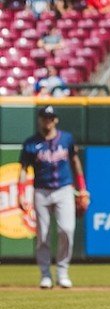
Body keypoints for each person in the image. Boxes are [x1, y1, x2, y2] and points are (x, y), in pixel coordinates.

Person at [17, 106, 89, 289]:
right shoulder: (31, 143)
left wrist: (82, 188)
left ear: (55, 120)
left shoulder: (66, 139)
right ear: (39, 119)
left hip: (64, 189)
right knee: (43, 234)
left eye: (50, 117)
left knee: (67, 229)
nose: (47, 120)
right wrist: (20, 192)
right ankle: (45, 274)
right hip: (41, 191)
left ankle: (63, 271)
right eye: (44, 117)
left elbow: (75, 162)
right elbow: (24, 169)